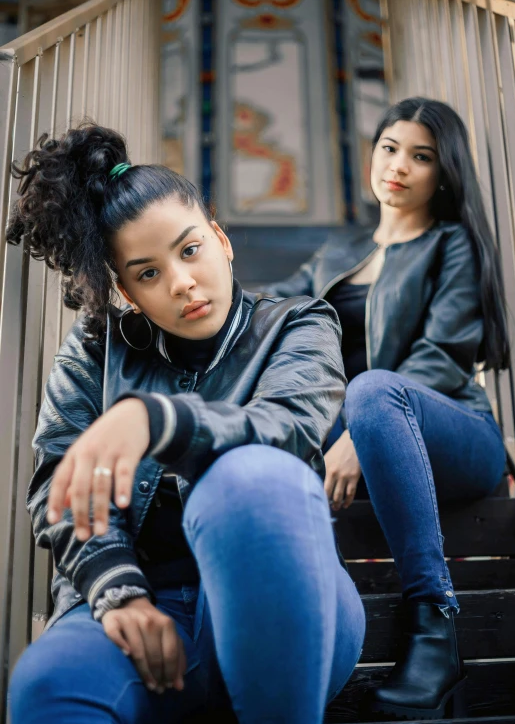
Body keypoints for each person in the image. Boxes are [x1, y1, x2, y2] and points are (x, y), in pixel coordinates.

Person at [7, 124, 365, 724]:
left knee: (250, 478)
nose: (181, 283)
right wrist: (115, 586)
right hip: (144, 609)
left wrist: (159, 419)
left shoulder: (299, 325)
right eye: (147, 274)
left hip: (282, 598)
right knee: (47, 686)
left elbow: (288, 427)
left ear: (221, 239)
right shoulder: (96, 349)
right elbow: (57, 485)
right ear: (125, 290)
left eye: (190, 249)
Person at [262, 97, 509, 720]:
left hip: (457, 433)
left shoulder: (451, 244)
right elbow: (266, 312)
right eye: (390, 147)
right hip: (365, 432)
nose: (398, 165)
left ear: (443, 173)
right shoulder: (335, 255)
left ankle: (435, 626)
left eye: (421, 156)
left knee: (371, 388)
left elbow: (442, 358)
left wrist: (356, 436)